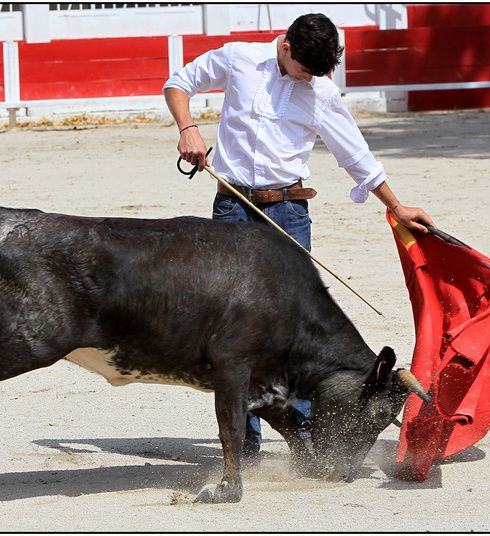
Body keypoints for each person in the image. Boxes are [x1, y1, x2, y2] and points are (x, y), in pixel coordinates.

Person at [163, 13, 434, 458]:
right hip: (232, 207)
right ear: (285, 47)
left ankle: (306, 430)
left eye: (318, 72)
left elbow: (357, 156)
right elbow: (178, 82)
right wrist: (187, 127)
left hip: (289, 212)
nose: (311, 79)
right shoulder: (239, 59)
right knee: (231, 324)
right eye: (306, 69)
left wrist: (396, 205)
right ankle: (244, 437)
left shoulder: (322, 90)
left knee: (294, 324)